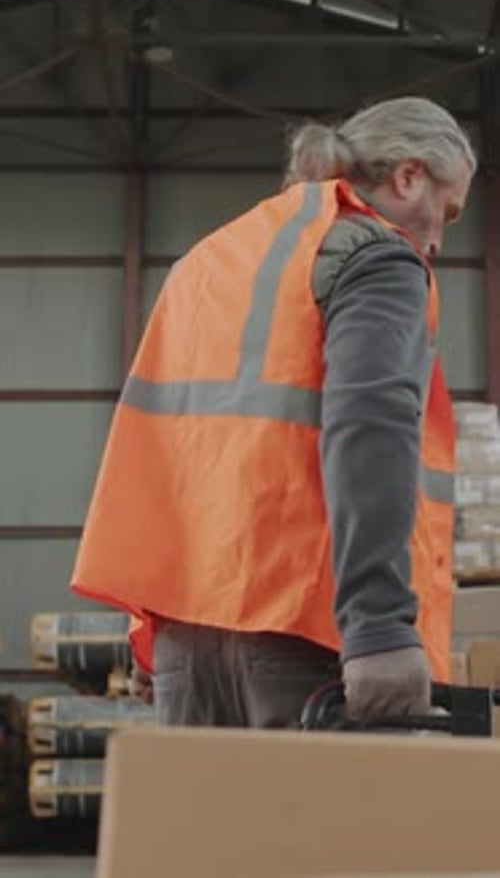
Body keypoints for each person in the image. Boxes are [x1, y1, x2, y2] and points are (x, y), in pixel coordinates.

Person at [70, 96, 475, 727]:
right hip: (304, 637)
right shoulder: (376, 256)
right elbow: (371, 430)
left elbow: (161, 455)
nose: (437, 239)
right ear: (407, 176)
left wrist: (150, 629)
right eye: (446, 212)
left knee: (202, 829)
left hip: (187, 639)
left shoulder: (207, 262)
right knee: (318, 829)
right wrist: (380, 629)